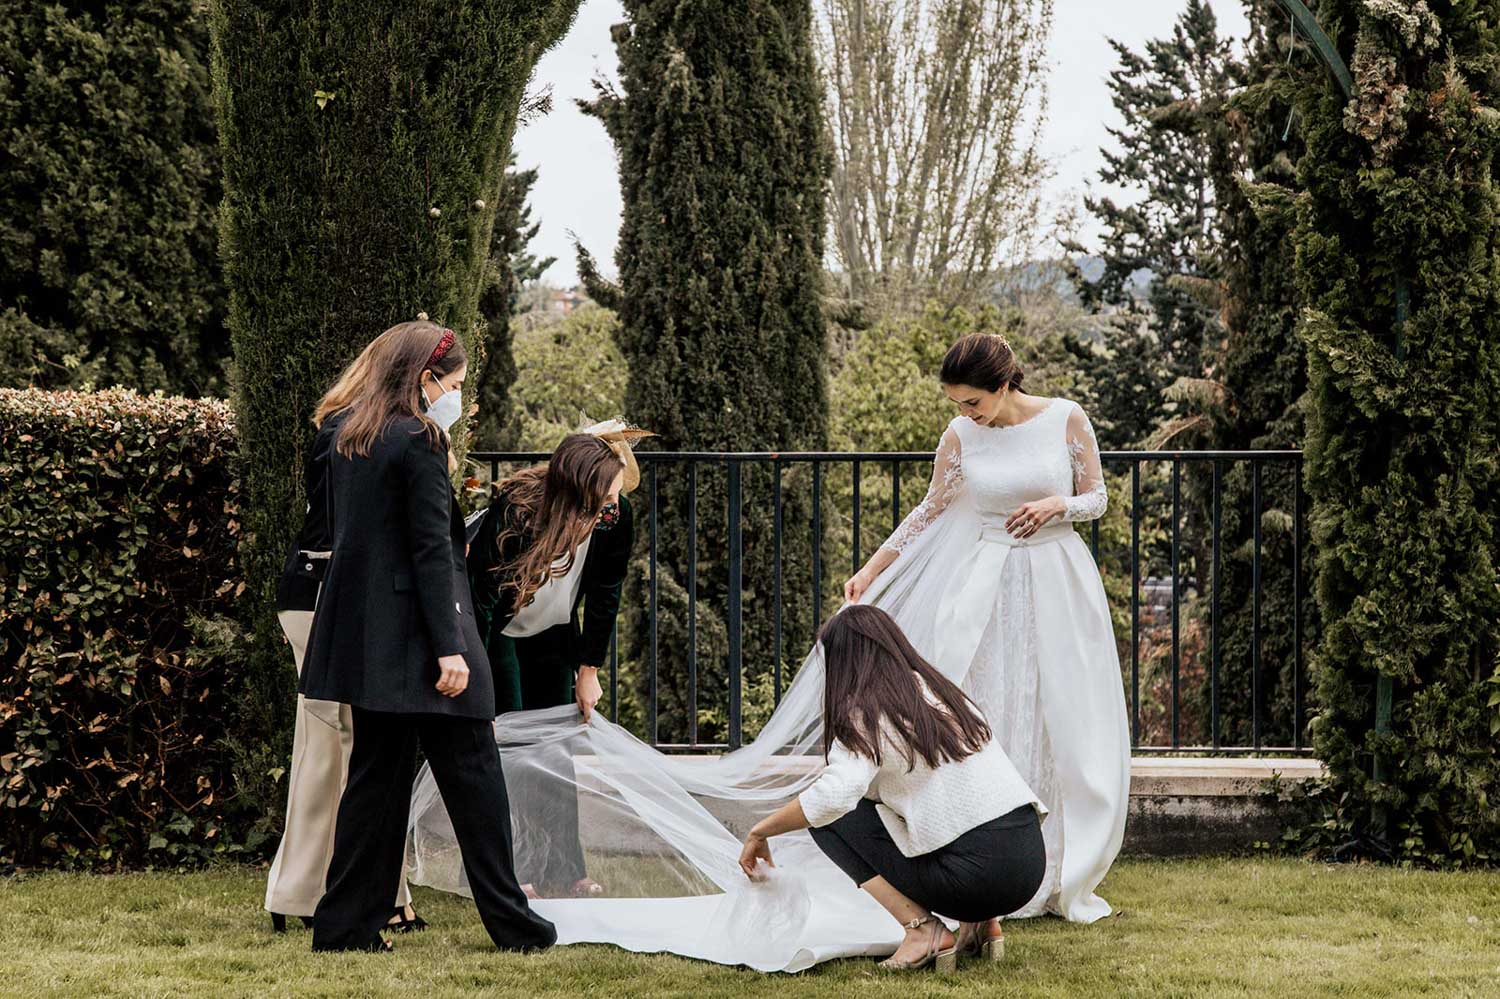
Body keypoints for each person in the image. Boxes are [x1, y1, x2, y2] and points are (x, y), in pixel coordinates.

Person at [842, 332, 1130, 920]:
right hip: (986, 583)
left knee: (1062, 714)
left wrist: (1058, 506)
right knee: (983, 705)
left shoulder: (1066, 419)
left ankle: (1056, 872)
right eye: (957, 404)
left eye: (973, 402)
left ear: (1003, 385)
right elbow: (931, 509)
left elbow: (1097, 497)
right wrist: (870, 570)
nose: (965, 413)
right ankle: (984, 862)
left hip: (1057, 576)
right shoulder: (960, 436)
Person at [298, 320, 555, 953]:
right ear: (426, 379)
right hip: (427, 639)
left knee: (373, 786)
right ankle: (515, 925)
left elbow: (343, 533)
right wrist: (451, 646)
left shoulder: (343, 435)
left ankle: (345, 927)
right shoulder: (418, 440)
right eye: (456, 384)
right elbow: (432, 551)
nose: (457, 397)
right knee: (477, 780)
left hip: (370, 636)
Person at [738, 605, 1044, 971]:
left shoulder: (866, 711)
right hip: (1028, 864)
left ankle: (922, 932)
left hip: (977, 879)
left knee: (829, 819)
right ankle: (982, 924)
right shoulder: (944, 693)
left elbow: (833, 797)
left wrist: (760, 831)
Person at [463, 423, 644, 897]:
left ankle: (565, 870)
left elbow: (606, 592)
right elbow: (481, 598)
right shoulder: (516, 510)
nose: (612, 508)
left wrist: (589, 671)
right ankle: (511, 873)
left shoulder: (614, 516)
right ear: (575, 489)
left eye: (615, 496)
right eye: (605, 497)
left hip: (556, 634)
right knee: (512, 752)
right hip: (500, 632)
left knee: (556, 753)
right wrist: (479, 685)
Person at [262, 416, 420, 934]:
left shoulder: (351, 428)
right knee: (338, 741)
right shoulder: (360, 433)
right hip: (327, 595)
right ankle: (311, 890)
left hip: (323, 592)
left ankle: (360, 890)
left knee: (344, 743)